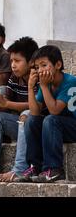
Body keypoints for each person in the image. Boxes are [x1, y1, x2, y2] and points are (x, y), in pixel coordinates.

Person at [0, 37, 39, 182]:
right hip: (21, 126)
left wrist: (6, 104)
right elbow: (5, 108)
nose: (13, 65)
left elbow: (35, 106)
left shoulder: (37, 77)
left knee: (26, 114)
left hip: (37, 128)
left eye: (17, 61)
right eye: (12, 61)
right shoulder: (14, 78)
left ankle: (19, 170)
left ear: (31, 62)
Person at [21, 45, 76, 183]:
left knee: (50, 119)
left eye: (44, 65)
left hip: (72, 125)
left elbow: (55, 110)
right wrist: (30, 87)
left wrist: (43, 86)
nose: (40, 70)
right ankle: (34, 166)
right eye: (37, 67)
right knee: (31, 120)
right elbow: (34, 112)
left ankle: (54, 169)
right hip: (60, 127)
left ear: (58, 64)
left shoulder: (70, 82)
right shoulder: (46, 83)